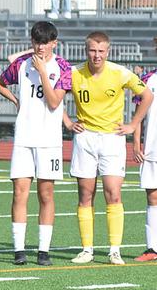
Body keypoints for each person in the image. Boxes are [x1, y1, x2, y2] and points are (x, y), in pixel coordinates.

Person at [66, 31, 153, 265]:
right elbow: (53, 98)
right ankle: (87, 250)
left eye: (101, 51)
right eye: (92, 50)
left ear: (108, 51)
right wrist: (66, 121)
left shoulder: (119, 72)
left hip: (112, 139)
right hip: (85, 139)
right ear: (87, 51)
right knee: (85, 195)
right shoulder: (73, 73)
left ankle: (114, 250)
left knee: (113, 194)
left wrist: (133, 124)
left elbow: (147, 95)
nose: (96, 55)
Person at [0, 21, 72, 266]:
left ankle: (43, 251)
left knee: (46, 193)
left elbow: (52, 102)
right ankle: (19, 250)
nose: (40, 48)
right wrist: (17, 101)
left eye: (46, 43)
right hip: (24, 137)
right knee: (19, 192)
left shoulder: (63, 67)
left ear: (54, 43)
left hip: (49, 140)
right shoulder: (21, 63)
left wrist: (41, 74)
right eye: (37, 42)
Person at [132, 67, 157, 261]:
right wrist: (136, 143)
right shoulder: (148, 79)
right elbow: (138, 116)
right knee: (153, 197)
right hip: (152, 148)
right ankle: (152, 249)